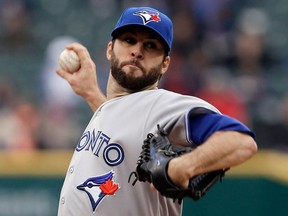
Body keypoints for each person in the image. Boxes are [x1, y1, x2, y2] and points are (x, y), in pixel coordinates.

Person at [56, 7, 257, 216]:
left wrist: (184, 166)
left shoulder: (164, 106)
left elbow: (241, 141)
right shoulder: (115, 109)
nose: (137, 51)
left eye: (150, 46)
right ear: (109, 49)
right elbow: (123, 130)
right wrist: (91, 94)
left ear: (165, 64)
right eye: (129, 40)